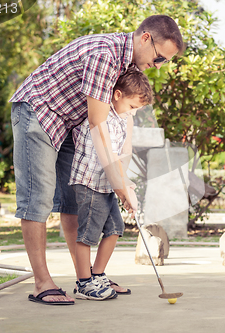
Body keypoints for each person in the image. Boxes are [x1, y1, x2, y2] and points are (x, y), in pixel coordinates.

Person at [10, 15, 184, 305]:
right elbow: (99, 126)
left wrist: (124, 179)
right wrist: (119, 186)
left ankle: (85, 279)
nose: (157, 66)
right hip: (38, 112)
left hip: (69, 123)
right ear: (145, 39)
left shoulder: (127, 65)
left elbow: (122, 125)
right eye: (159, 58)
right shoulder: (105, 54)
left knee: (72, 201)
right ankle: (42, 283)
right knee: (37, 198)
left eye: (164, 62)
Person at [71, 69, 153, 300]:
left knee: (116, 228)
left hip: (107, 184)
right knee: (87, 234)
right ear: (117, 95)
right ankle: (83, 282)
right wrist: (123, 187)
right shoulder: (102, 115)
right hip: (90, 182)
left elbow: (121, 155)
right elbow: (107, 155)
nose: (133, 113)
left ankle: (97, 275)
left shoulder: (122, 119)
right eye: (131, 106)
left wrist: (125, 185)